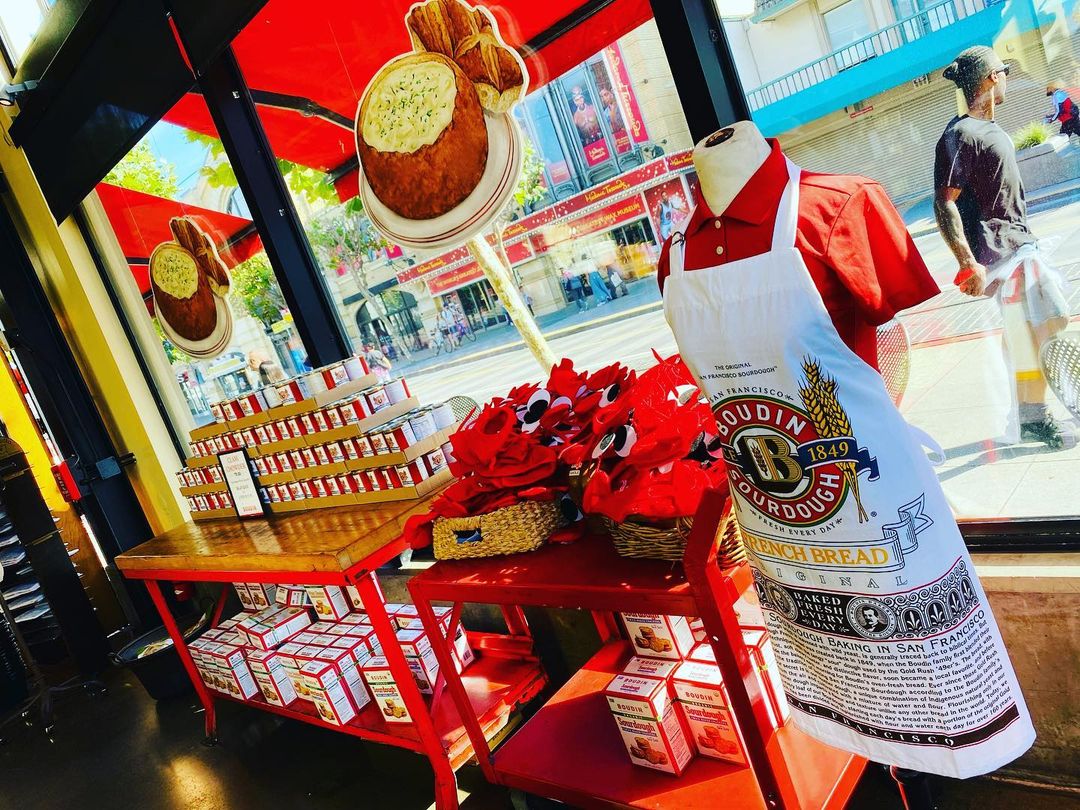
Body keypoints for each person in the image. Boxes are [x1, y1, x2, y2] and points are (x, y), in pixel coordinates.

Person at [934, 46, 1072, 449]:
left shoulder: (990, 130)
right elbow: (944, 201)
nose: (1008, 77)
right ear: (992, 77)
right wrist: (966, 263)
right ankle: (1032, 411)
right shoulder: (960, 134)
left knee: (1030, 332)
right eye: (1004, 71)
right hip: (1001, 254)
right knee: (1052, 319)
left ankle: (1028, 412)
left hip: (1018, 246)